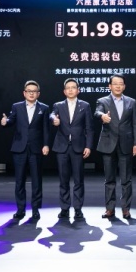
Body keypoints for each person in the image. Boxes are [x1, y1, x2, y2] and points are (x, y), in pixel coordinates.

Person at [0, 80, 51, 221]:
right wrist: (5, 122)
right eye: (29, 91)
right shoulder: (17, 106)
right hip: (19, 148)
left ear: (38, 93)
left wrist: (46, 145)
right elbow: (11, 121)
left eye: (34, 91)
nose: (31, 93)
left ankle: (35, 209)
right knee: (19, 180)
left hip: (36, 148)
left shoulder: (44, 108)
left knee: (36, 180)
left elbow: (46, 129)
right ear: (24, 93)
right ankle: (20, 209)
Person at [95, 74, 136, 219]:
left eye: (120, 83)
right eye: (115, 84)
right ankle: (110, 209)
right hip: (108, 143)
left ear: (124, 86)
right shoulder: (103, 101)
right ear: (109, 86)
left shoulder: (131, 102)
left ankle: (126, 209)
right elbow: (97, 112)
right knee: (109, 179)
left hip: (126, 144)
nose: (118, 86)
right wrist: (102, 116)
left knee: (126, 179)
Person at [50, 78, 94, 222]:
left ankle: (78, 209)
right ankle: (64, 208)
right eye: (68, 88)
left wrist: (88, 146)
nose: (70, 90)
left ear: (78, 90)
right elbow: (52, 115)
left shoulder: (85, 106)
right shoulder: (58, 105)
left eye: (73, 87)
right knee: (63, 179)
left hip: (78, 147)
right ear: (64, 91)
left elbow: (89, 128)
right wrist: (54, 120)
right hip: (62, 147)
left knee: (78, 180)